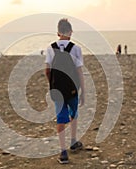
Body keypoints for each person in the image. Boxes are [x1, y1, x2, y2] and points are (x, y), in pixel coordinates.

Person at [45, 18, 85, 164]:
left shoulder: (50, 48)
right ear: (70, 32)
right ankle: (73, 141)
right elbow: (79, 72)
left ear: (58, 32)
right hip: (72, 88)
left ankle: (63, 152)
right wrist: (83, 92)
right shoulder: (76, 49)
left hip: (57, 90)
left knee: (60, 118)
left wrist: (52, 84)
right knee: (73, 114)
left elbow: (47, 70)